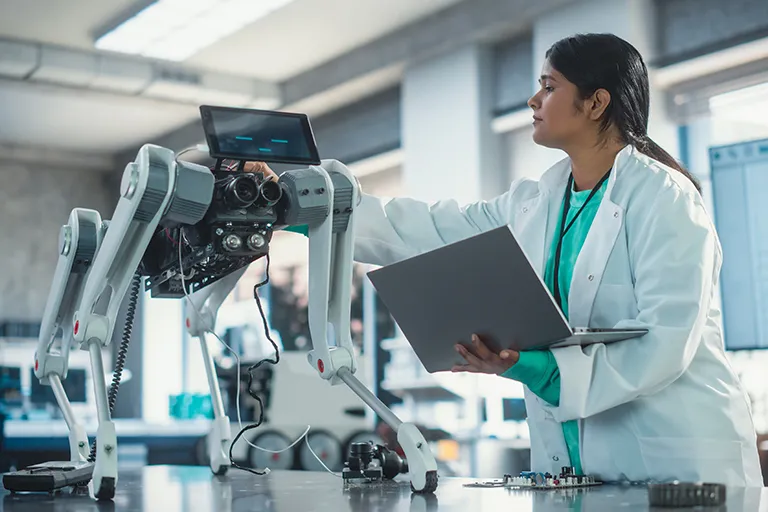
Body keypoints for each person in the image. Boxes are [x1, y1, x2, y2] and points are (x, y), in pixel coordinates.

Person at [250, 33, 762, 486]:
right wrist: (298, 206)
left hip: (674, 461)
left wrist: (535, 368)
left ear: (596, 102)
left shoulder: (664, 197)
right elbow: (425, 230)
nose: (533, 99)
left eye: (550, 86)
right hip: (581, 470)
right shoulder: (536, 200)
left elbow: (666, 340)